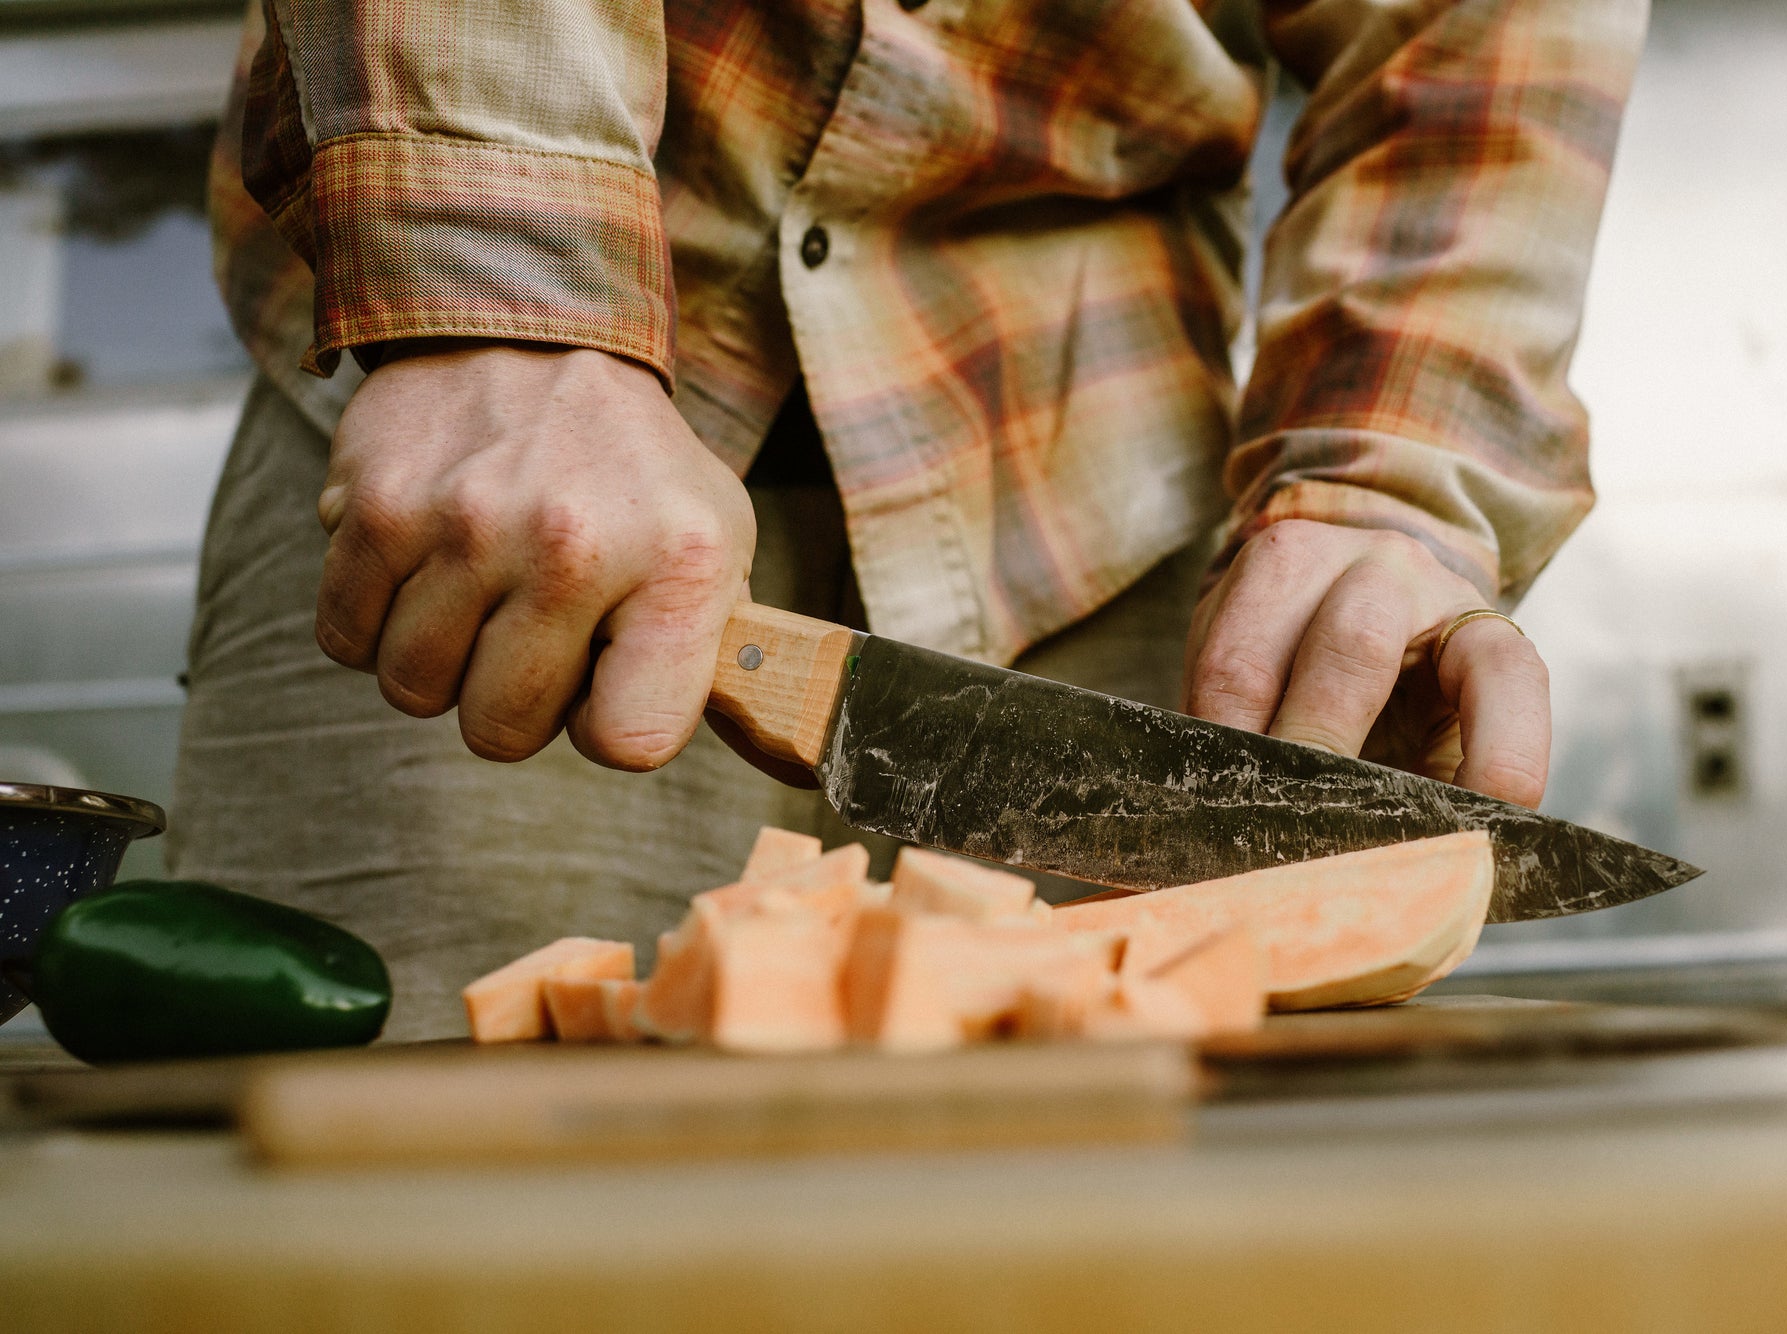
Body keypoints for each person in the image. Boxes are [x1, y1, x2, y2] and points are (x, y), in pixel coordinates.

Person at [170, 0, 1646, 1038]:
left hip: (1110, 491)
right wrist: (501, 277)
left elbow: (1482, 27)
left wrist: (1390, 466)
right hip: (490, 480)